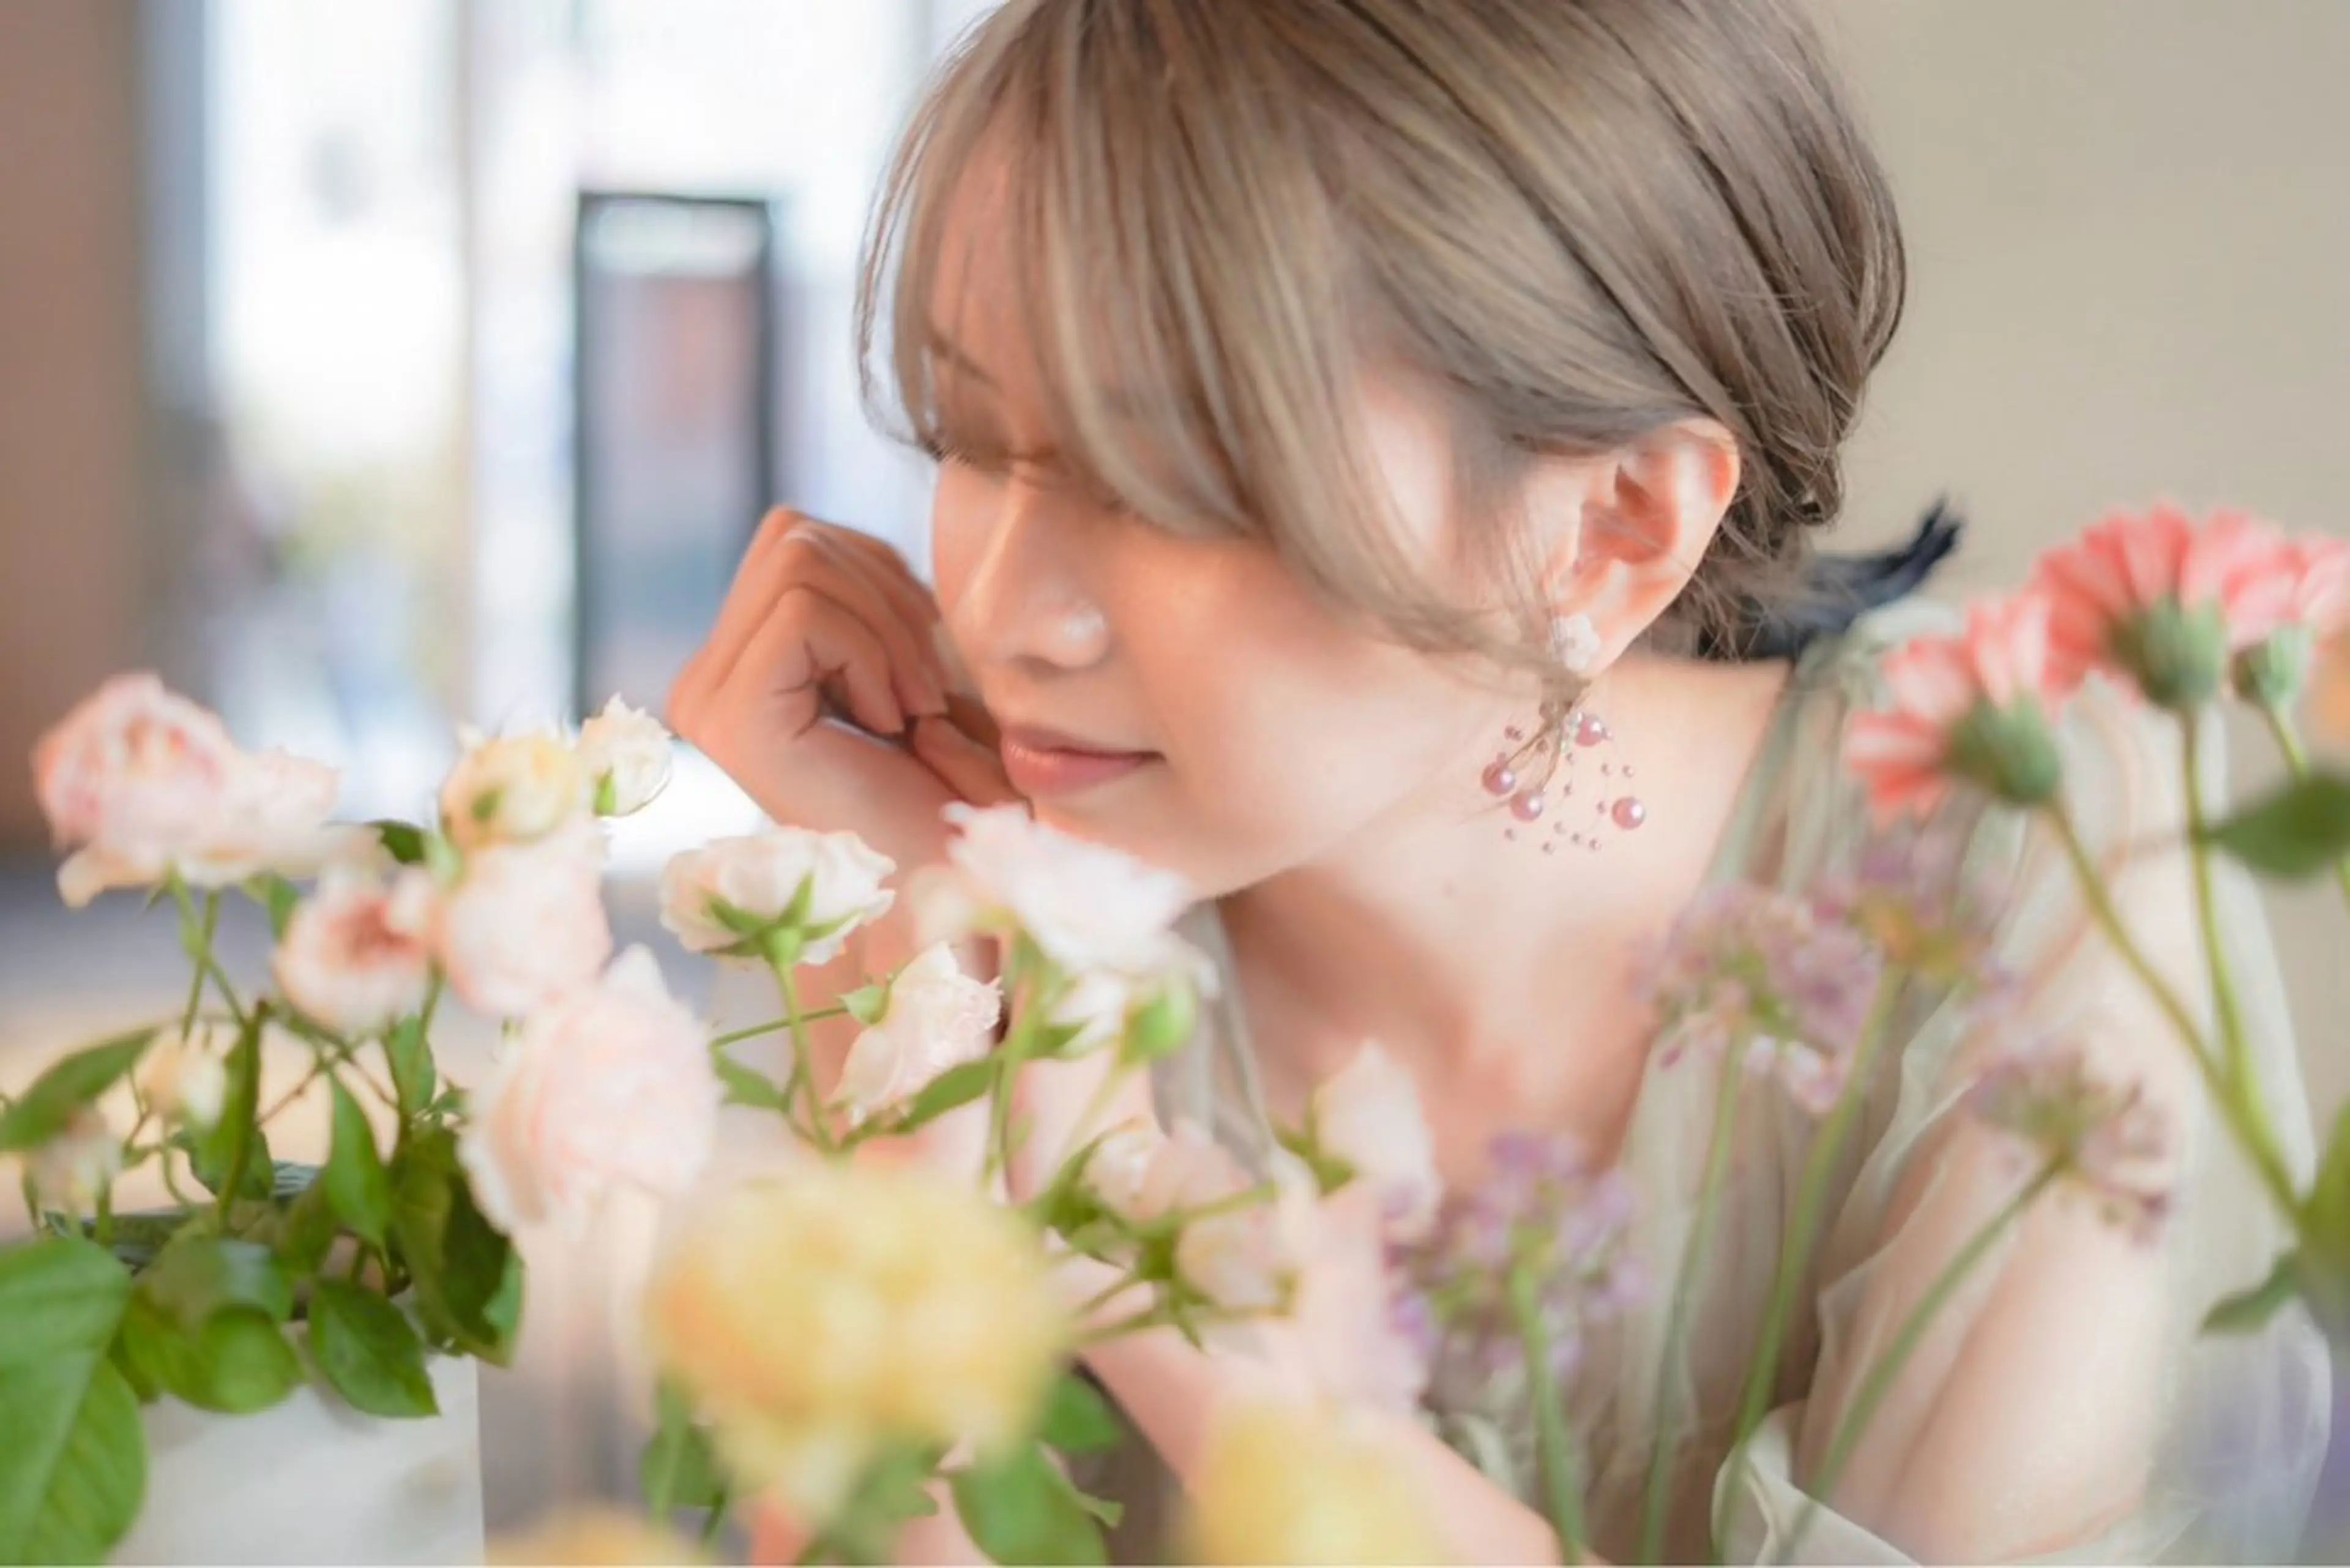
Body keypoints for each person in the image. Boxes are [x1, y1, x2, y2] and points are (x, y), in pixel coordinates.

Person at [666, 0, 2328, 1559]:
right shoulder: (960, 880)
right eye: (971, 437)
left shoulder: (2012, 841)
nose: (1002, 613)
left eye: (1168, 485)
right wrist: (910, 1058)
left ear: (1612, 531)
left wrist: (1135, 1233)